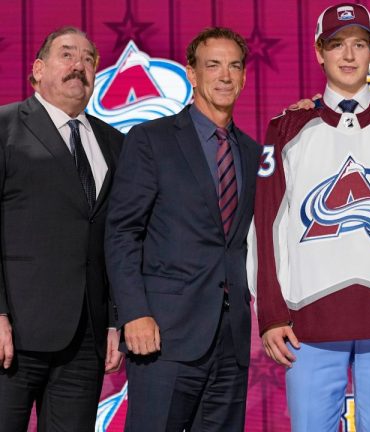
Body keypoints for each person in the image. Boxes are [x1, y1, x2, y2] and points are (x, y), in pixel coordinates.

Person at [255, 3, 370, 432]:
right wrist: (270, 313)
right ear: (319, 52)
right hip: (308, 321)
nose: (348, 55)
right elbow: (267, 225)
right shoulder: (286, 128)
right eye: (336, 44)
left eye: (359, 44)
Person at [105, 27, 260, 431]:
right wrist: (134, 313)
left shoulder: (253, 152)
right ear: (191, 73)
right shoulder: (151, 140)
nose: (225, 76)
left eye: (234, 66)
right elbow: (122, 232)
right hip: (163, 335)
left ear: (244, 77)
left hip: (231, 340)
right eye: (213, 65)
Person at [0, 27, 124, 432]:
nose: (79, 66)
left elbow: (119, 239)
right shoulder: (5, 127)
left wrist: (113, 319)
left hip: (84, 340)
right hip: (13, 335)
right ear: (37, 70)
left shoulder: (115, 143)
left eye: (89, 59)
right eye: (67, 55)